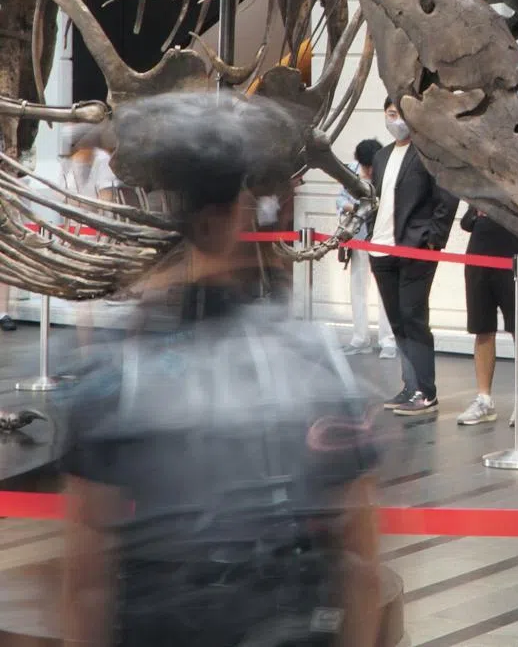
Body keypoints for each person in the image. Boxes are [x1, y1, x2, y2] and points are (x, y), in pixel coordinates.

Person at [60, 92, 382, 647]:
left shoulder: (112, 380)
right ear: (239, 213)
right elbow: (358, 560)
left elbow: (86, 585)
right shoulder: (317, 364)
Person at [370, 96, 457, 417]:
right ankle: (410, 386)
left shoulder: (429, 154)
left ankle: (426, 390)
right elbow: (376, 199)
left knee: (413, 317)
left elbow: (446, 197)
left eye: (400, 114)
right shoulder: (380, 156)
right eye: (390, 113)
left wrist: (433, 240)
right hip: (380, 249)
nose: (395, 120)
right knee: (397, 322)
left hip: (415, 248)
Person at [455, 205, 518, 427]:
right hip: (478, 256)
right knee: (481, 328)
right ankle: (484, 400)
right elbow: (467, 221)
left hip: (512, 257)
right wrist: (478, 211)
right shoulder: (484, 181)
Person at [338, 138, 396, 358]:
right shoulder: (350, 172)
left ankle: (388, 340)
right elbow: (340, 201)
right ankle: (360, 338)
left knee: (385, 290)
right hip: (359, 236)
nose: (369, 171)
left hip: (384, 237)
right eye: (365, 167)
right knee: (358, 287)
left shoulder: (388, 171)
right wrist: (354, 207)